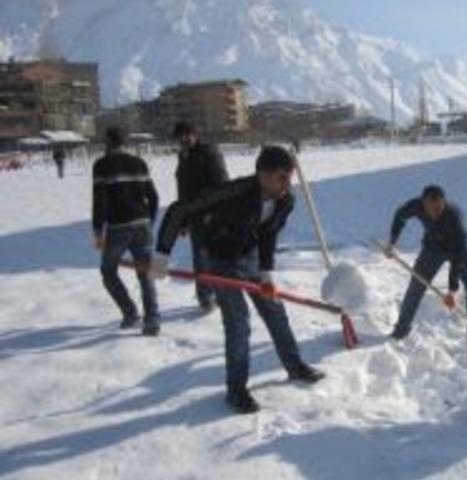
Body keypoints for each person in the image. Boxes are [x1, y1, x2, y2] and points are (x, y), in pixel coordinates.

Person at [150, 145, 325, 414]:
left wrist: (266, 271)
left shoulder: (285, 200)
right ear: (263, 175)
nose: (287, 183)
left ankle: (295, 366)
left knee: (274, 310)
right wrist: (162, 254)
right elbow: (179, 209)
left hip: (249, 256)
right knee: (238, 323)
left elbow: (269, 234)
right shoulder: (235, 191)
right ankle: (236, 390)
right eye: (281, 176)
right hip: (219, 259)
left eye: (288, 176)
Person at [383, 185, 467, 339]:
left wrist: (452, 291)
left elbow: (458, 258)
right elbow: (400, 215)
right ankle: (401, 330)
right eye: (432, 208)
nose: (436, 212)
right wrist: (392, 242)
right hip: (432, 250)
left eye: (439, 207)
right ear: (424, 203)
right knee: (416, 287)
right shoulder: (416, 205)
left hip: (457, 250)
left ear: (443, 202)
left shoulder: (454, 218)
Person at [92, 127, 161, 336]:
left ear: (108, 142)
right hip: (143, 225)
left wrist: (98, 231)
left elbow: (100, 201)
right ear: (125, 142)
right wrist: (149, 220)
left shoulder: (101, 165)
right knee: (146, 273)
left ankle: (130, 312)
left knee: (108, 271)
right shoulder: (139, 163)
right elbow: (154, 197)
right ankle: (152, 321)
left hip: (118, 228)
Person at [173, 121, 229, 312]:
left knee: (217, 256)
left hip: (212, 215)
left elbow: (222, 184)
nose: (184, 139)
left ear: (196, 134)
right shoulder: (183, 156)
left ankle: (223, 294)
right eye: (180, 136)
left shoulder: (209, 153)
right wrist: (183, 220)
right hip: (195, 216)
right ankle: (205, 297)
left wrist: (214, 212)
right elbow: (182, 191)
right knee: (200, 258)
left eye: (187, 135)